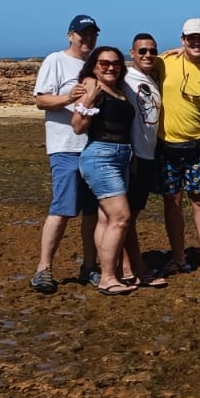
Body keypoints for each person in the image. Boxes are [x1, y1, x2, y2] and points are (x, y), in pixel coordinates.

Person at [28, 15, 101, 294]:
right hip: (65, 148)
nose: (88, 39)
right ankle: (43, 269)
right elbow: (41, 100)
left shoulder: (95, 65)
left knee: (92, 213)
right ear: (70, 35)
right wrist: (70, 97)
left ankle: (89, 266)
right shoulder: (55, 61)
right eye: (83, 34)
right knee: (62, 209)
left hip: (94, 149)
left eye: (93, 34)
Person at [157, 18, 200, 275]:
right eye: (190, 38)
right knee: (172, 203)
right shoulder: (165, 62)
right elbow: (136, 71)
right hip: (166, 147)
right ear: (182, 40)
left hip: (199, 147)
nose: (196, 42)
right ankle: (178, 257)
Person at [70, 46, 137, 295]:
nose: (110, 67)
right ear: (94, 65)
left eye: (115, 63)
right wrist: (88, 99)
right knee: (121, 217)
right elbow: (77, 126)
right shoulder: (91, 85)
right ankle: (108, 278)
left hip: (121, 156)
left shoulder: (118, 89)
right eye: (104, 63)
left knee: (106, 218)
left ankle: (109, 272)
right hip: (100, 155)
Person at [120, 33, 166, 287]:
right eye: (142, 51)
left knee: (131, 215)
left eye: (152, 51)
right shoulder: (125, 78)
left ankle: (127, 264)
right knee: (125, 216)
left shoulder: (153, 79)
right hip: (132, 156)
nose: (148, 55)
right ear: (132, 53)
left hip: (149, 155)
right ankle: (132, 266)